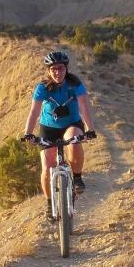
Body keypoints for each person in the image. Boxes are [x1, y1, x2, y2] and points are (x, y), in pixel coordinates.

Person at [22, 50, 97, 220]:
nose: (57, 72)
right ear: (48, 71)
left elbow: (84, 107)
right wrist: (28, 133)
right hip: (48, 127)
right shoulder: (42, 88)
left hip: (71, 124)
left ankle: (77, 178)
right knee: (47, 168)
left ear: (66, 68)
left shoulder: (75, 84)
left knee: (73, 142)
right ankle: (50, 203)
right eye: (53, 69)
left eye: (61, 68)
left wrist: (90, 129)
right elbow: (34, 112)